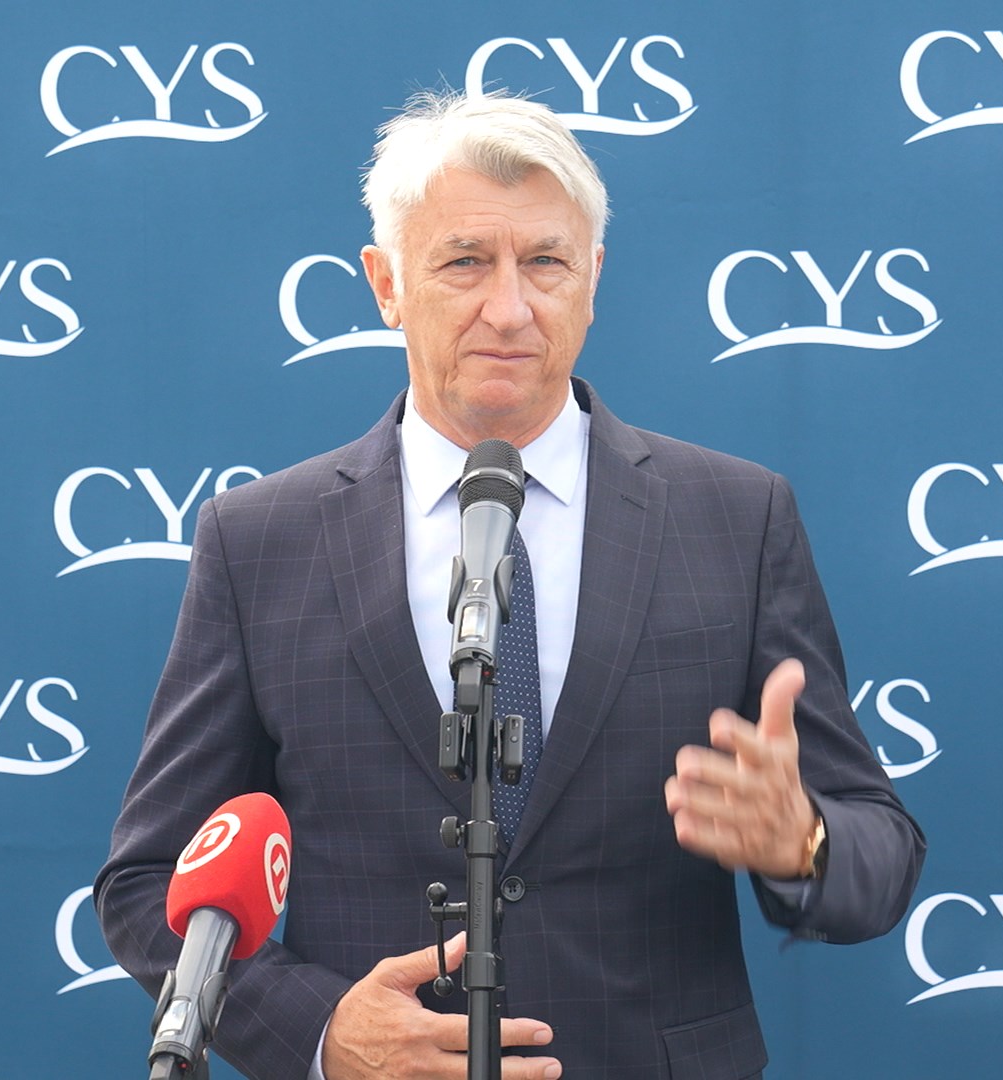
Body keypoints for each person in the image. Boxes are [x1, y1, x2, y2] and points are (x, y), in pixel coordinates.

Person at [96, 90, 925, 1080]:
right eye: (464, 262)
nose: (509, 307)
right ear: (386, 284)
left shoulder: (736, 520)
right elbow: (151, 882)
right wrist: (322, 1034)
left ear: (593, 279)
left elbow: (880, 853)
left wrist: (807, 841)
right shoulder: (261, 539)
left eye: (544, 262)